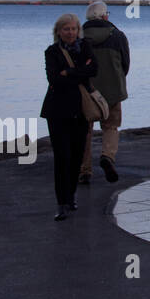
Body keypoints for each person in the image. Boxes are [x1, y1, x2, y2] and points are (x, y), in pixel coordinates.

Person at [43, 13, 98, 220]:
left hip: (81, 109)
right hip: (57, 111)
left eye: (74, 29)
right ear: (58, 31)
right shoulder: (52, 52)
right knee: (61, 157)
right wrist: (78, 72)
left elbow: (94, 69)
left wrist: (69, 72)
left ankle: (71, 195)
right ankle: (61, 203)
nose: (71, 33)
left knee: (76, 155)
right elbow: (54, 79)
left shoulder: (85, 47)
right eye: (66, 29)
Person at [78, 1, 130, 184]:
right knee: (110, 126)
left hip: (86, 91)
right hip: (112, 89)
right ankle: (107, 156)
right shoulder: (117, 36)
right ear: (105, 16)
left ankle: (84, 170)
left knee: (85, 130)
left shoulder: (79, 36)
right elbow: (125, 63)